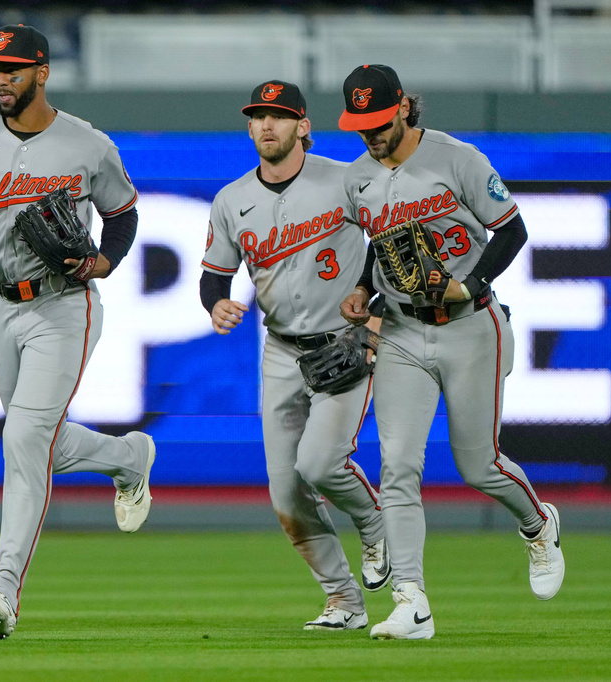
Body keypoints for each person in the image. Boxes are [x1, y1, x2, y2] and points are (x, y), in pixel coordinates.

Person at [0, 24, 156, 640]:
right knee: (39, 442)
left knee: (24, 435)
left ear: (42, 72)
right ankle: (128, 458)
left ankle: (5, 587)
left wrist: (106, 260)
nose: (1, 78)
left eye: (13, 68)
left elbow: (124, 212)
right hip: (1, 305)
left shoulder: (85, 143)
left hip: (64, 305)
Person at [336, 64, 565, 640]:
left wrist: (473, 284)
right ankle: (410, 601)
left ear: (406, 107)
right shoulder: (358, 176)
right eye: (361, 123)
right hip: (403, 333)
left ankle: (538, 525)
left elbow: (512, 231)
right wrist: (364, 287)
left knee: (478, 466)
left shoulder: (457, 158)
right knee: (398, 467)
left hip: (469, 326)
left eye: (380, 120)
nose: (371, 133)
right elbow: (378, 243)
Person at [200, 80, 392, 631]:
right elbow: (214, 277)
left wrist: (376, 310)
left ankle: (374, 524)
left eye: (279, 117)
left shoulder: (346, 178)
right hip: (282, 350)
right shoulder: (233, 199)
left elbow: (389, 242)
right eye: (258, 116)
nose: (266, 125)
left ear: (303, 126)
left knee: (320, 464)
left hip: (346, 342)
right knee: (286, 489)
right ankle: (343, 599)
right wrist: (216, 306)